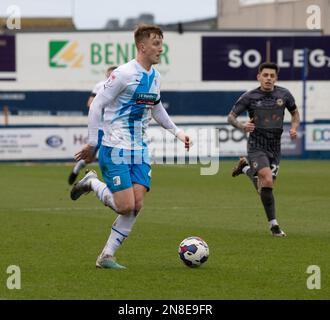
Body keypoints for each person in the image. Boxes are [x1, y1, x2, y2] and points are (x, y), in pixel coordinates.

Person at [70, 24, 192, 269]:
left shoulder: (155, 76)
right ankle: (92, 182)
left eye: (161, 42)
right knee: (125, 206)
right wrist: (93, 143)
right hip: (115, 147)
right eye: (156, 43)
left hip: (140, 150)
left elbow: (156, 107)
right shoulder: (124, 73)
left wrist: (177, 132)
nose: (161, 48)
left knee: (136, 206)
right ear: (142, 47)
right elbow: (96, 106)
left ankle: (106, 256)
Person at [227, 62, 300, 237]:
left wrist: (294, 127)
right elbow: (231, 117)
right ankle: (274, 226)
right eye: (265, 75)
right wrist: (242, 126)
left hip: (275, 147)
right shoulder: (250, 97)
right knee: (267, 179)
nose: (268, 78)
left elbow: (295, 113)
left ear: (276, 78)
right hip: (256, 145)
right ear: (258, 76)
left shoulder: (284, 94)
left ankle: (245, 168)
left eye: (272, 76)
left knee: (264, 188)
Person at [68, 66, 118, 185]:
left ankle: (115, 181)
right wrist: (102, 104)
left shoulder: (122, 86)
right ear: (106, 75)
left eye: (114, 74)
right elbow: (90, 103)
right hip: (101, 127)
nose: (112, 76)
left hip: (116, 129)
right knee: (90, 158)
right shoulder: (100, 86)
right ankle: (77, 170)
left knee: (113, 156)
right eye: (110, 74)